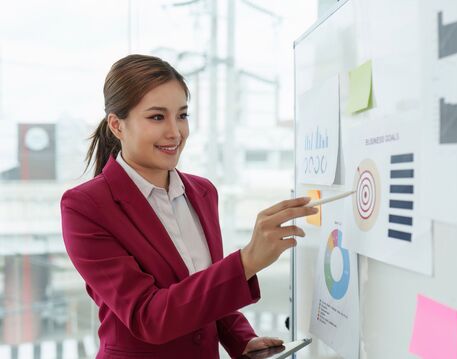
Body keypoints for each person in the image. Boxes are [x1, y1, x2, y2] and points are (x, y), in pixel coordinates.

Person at [60, 54, 317, 359]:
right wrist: (246, 261)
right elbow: (148, 316)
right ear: (117, 125)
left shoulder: (202, 192)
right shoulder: (85, 206)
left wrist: (241, 339)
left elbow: (204, 289)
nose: (175, 132)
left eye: (182, 115)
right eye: (157, 117)